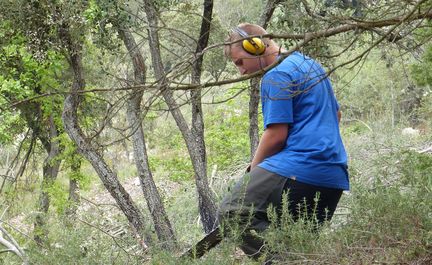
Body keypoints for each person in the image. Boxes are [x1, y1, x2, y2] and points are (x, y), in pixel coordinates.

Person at [217, 23, 349, 262]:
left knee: (232, 212)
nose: (241, 71)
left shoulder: (276, 74)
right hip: (334, 178)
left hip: (300, 165)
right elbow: (336, 115)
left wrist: (253, 171)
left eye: (239, 62)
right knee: (297, 244)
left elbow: (276, 135)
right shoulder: (309, 64)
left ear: (256, 46)